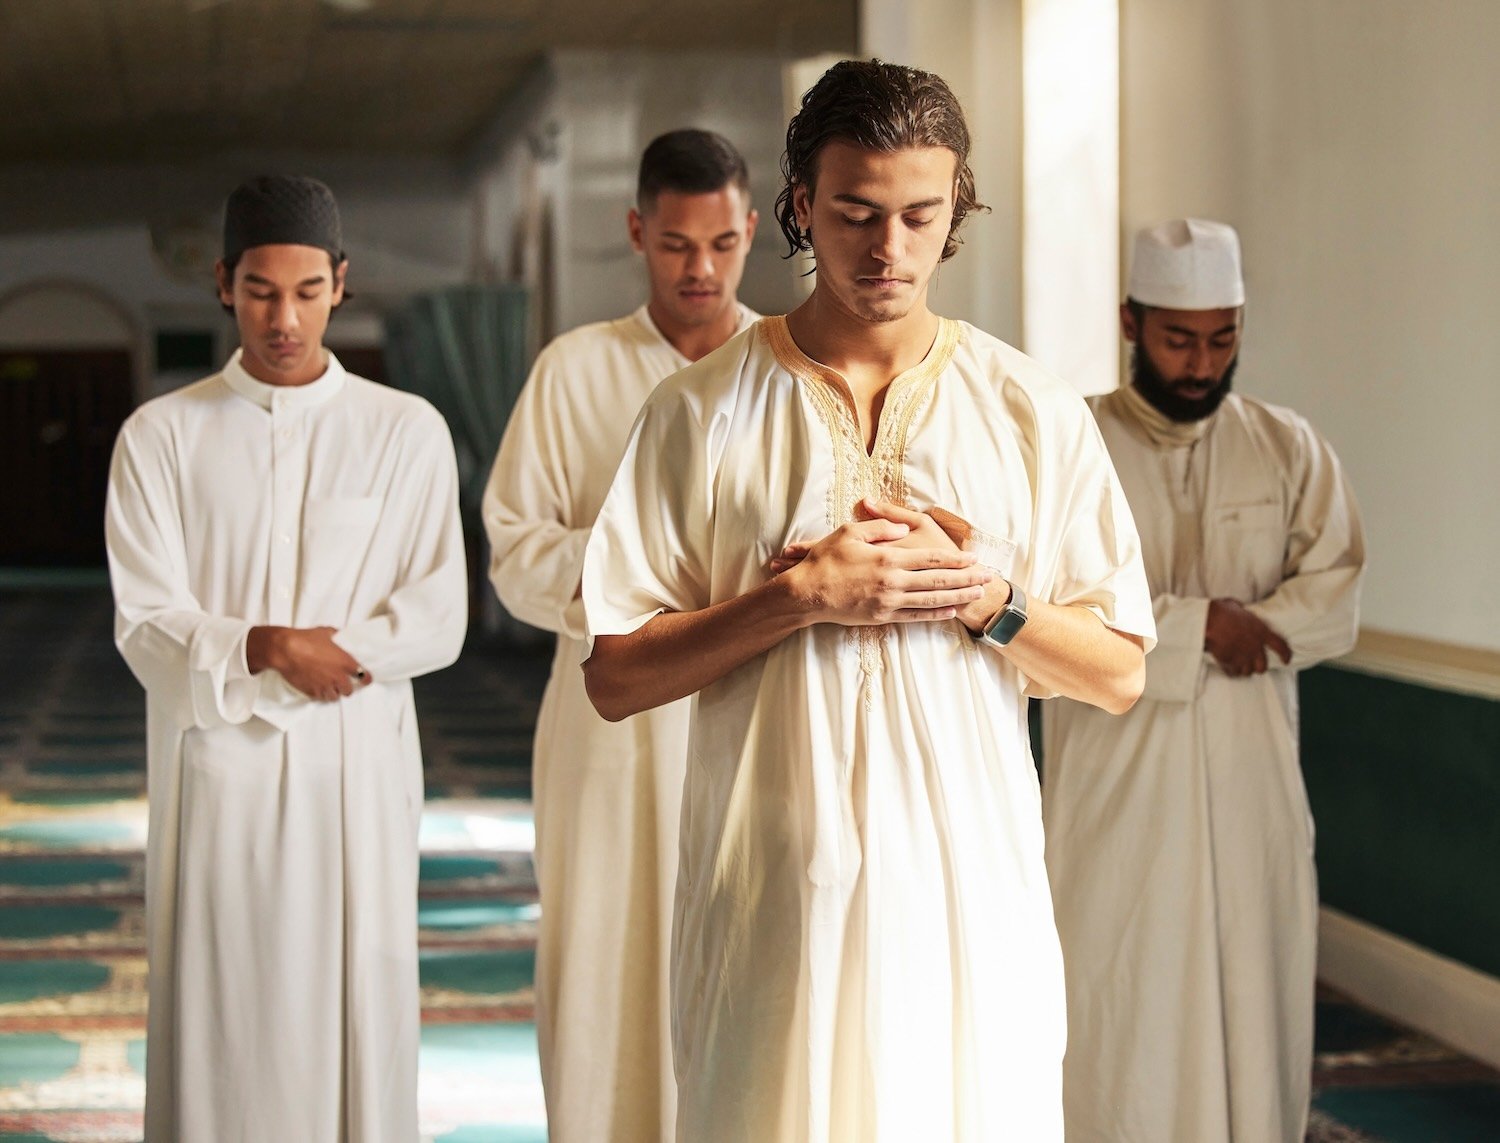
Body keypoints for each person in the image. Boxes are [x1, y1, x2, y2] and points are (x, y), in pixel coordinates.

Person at [579, 61, 1155, 1142]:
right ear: (800, 207)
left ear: (957, 209)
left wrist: (988, 598)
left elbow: (1120, 672)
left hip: (968, 900)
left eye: (919, 215)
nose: (888, 248)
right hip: (770, 901)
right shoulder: (699, 411)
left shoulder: (1029, 409)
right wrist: (799, 598)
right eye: (854, 214)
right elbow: (614, 676)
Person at [105, 175, 467, 1142]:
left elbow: (437, 615)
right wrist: (264, 644)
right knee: (223, 1011)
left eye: (307, 292)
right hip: (215, 773)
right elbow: (145, 621)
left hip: (356, 773)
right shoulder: (160, 437)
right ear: (223, 283)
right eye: (262, 291)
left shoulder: (405, 431)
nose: (284, 319)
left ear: (341, 284)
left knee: (356, 1009)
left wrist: (327, 655)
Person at [1042, 219, 1366, 1142]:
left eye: (1222, 339)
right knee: (1122, 1012)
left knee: (1256, 1005)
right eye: (1179, 339)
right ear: (1130, 323)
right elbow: (1040, 613)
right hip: (1118, 796)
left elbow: (1337, 591)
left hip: (1253, 786)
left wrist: (1247, 628)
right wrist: (1197, 627)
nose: (1201, 363)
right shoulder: (1071, 442)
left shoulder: (1286, 446)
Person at [482, 129, 758, 1141]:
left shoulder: (788, 366)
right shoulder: (574, 369)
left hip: (753, 710)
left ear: (753, 230)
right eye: (676, 245)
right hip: (607, 724)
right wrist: (647, 573)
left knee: (747, 953)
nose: (700, 270)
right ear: (637, 232)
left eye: (721, 245)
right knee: (602, 954)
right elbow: (516, 551)